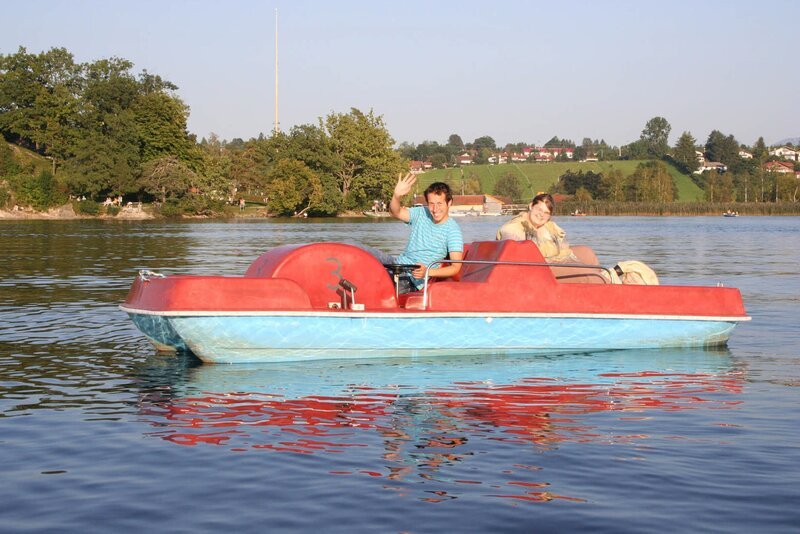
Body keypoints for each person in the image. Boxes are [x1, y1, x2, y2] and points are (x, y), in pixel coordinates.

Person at [387, 173, 464, 293]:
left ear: (449, 203)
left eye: (439, 203)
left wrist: (427, 271)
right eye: (431, 204)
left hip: (412, 279)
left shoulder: (453, 230)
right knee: (360, 251)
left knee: (376, 284)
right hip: (397, 264)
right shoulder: (421, 213)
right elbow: (396, 212)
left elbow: (455, 267)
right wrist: (396, 196)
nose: (435, 209)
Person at [496, 192, 578, 263]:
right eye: (539, 209)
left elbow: (566, 250)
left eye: (546, 213)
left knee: (583, 253)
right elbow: (516, 259)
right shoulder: (513, 229)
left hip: (553, 267)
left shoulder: (552, 228)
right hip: (528, 271)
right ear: (531, 206)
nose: (541, 215)